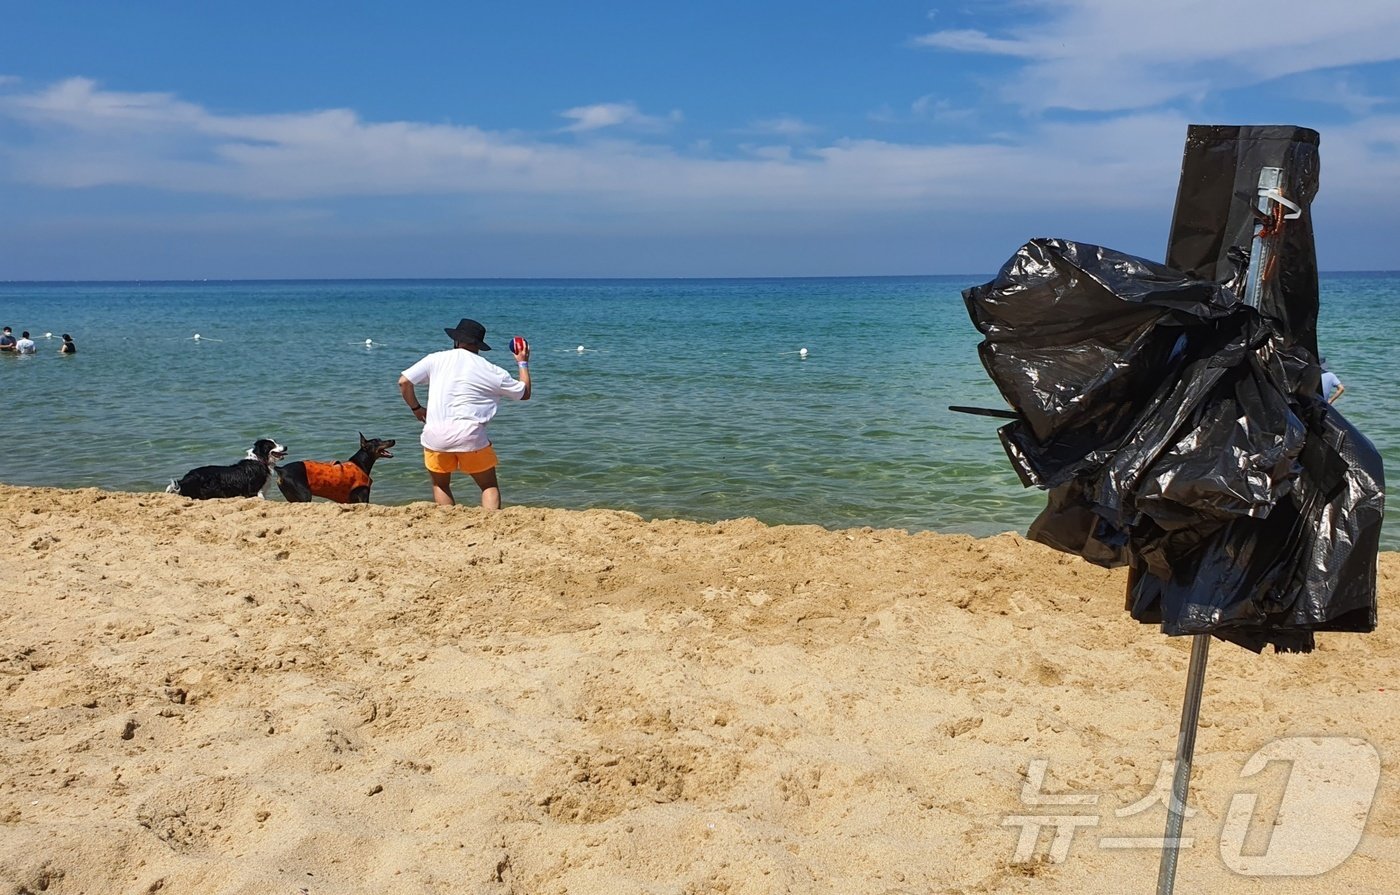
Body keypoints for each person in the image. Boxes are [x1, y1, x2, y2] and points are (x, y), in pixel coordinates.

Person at [398, 317, 532, 509]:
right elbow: (524, 393)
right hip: (470, 436)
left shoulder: (435, 359)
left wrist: (416, 408)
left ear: (456, 340)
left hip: (436, 436)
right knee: (488, 486)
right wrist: (523, 363)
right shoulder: (491, 370)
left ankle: (448, 523)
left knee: (441, 484)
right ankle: (491, 524)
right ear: (478, 345)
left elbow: (404, 382)